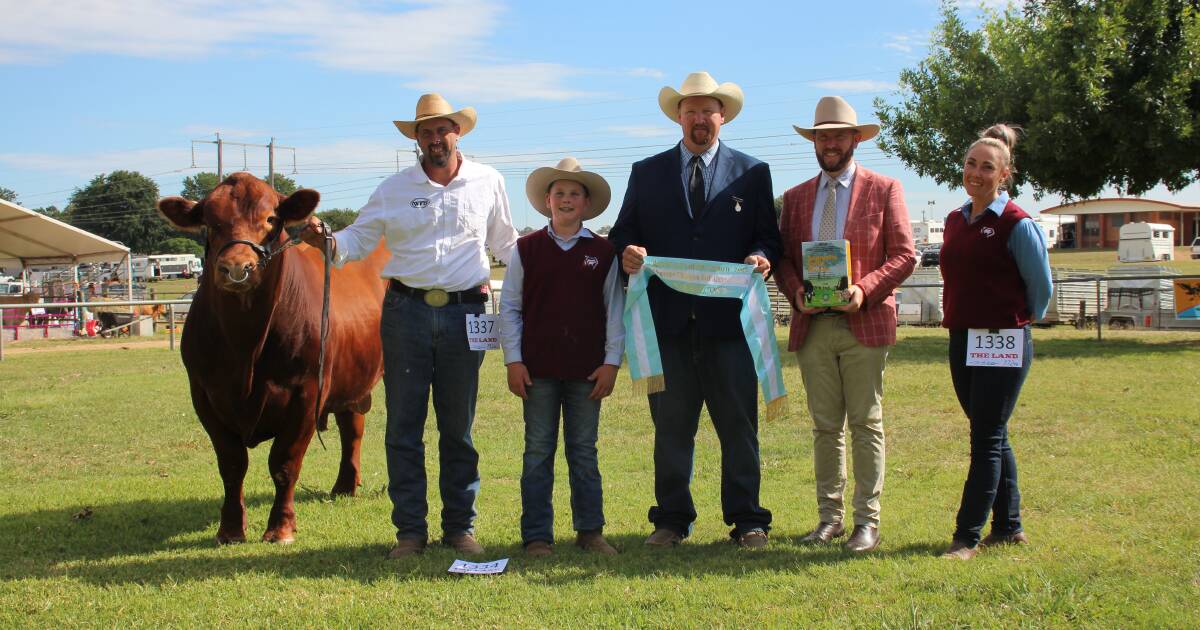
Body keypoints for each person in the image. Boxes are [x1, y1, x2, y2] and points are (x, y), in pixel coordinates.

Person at [301, 93, 518, 558]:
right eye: (426, 131)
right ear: (416, 138)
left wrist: (556, 261)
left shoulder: (489, 180)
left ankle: (460, 527)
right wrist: (327, 239)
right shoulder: (393, 188)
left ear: (458, 133)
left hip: (468, 313)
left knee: (458, 427)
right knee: (403, 426)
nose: (435, 139)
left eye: (443, 130)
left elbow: (506, 243)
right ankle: (410, 533)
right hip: (405, 312)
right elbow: (358, 238)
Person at [608, 71, 781, 549]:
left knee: (739, 429)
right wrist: (627, 251)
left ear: (722, 117)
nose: (700, 118)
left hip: (730, 328)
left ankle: (748, 520)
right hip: (667, 328)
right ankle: (671, 520)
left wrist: (762, 257)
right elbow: (621, 232)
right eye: (692, 110)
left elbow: (770, 237)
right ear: (678, 116)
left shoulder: (754, 172)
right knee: (671, 428)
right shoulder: (646, 172)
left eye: (709, 110)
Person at [775, 96, 917, 553]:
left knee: (865, 423)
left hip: (865, 322)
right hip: (813, 327)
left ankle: (866, 522)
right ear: (813, 141)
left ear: (856, 139)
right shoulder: (796, 198)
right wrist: (796, 291)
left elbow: (905, 254)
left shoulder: (885, 188)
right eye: (822, 135)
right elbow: (783, 259)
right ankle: (828, 519)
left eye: (838, 135)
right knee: (824, 426)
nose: (830, 143)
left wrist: (865, 289)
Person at [499, 157, 624, 558]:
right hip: (537, 370)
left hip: (588, 369)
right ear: (547, 202)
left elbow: (614, 309)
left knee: (584, 450)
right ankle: (537, 535)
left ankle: (590, 530)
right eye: (560, 194)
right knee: (537, 450)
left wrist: (612, 361)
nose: (566, 200)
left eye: (574, 193)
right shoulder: (525, 249)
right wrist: (513, 360)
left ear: (587, 204)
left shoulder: (604, 252)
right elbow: (511, 307)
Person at [938, 124, 1051, 560]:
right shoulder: (954, 220)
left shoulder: (1016, 224)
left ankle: (966, 537)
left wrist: (1018, 322)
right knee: (992, 433)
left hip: (1004, 340)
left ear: (1005, 174)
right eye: (971, 164)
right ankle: (1009, 526)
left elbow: (1040, 287)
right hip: (962, 337)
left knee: (985, 438)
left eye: (988, 167)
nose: (977, 173)